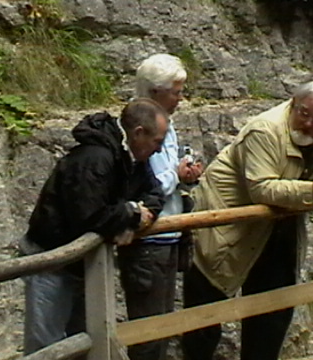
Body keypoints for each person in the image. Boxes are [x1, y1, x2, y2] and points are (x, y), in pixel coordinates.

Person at [181, 80, 313, 360]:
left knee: (272, 312)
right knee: (205, 314)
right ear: (293, 104)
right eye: (304, 114)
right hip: (226, 227)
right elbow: (261, 188)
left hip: (278, 228)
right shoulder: (264, 129)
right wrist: (311, 190)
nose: (308, 124)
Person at [20, 98, 170, 355]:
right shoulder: (96, 157)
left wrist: (138, 217)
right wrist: (132, 214)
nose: (158, 151)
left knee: (88, 339)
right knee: (46, 344)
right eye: (156, 142)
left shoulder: (130, 157)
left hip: (84, 264)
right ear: (138, 133)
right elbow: (89, 215)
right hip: (53, 260)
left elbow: (154, 192)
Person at [117, 53, 203, 360]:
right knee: (148, 331)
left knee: (165, 324)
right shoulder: (137, 125)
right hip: (147, 240)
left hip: (169, 234)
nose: (181, 98)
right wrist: (176, 174)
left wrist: (187, 175)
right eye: (176, 92)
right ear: (155, 91)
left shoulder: (167, 123)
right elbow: (146, 184)